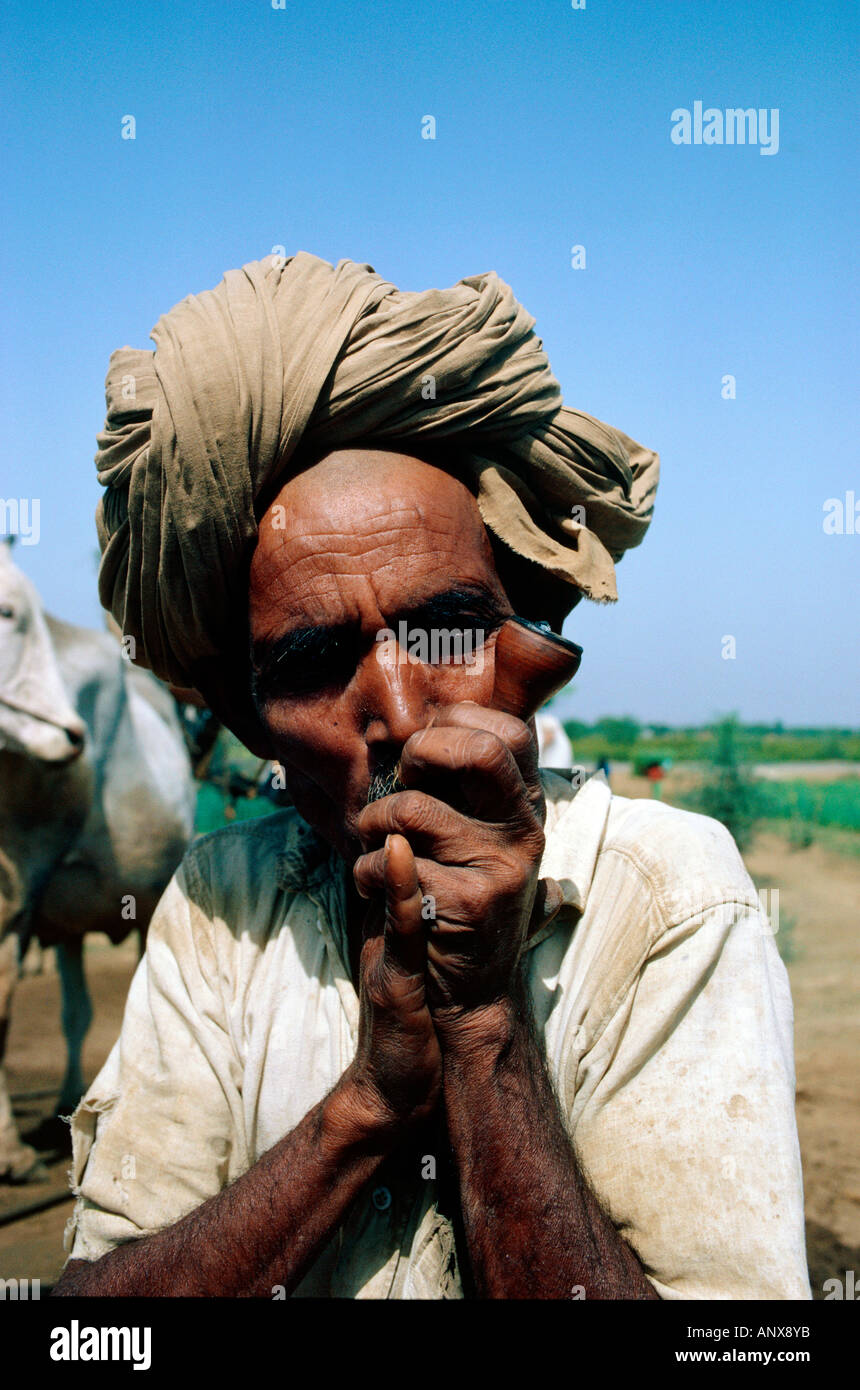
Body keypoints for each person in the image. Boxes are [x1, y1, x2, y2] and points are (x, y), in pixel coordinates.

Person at [54, 253, 808, 1299]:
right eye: (317, 663)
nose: (401, 717)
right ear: (251, 725)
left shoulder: (671, 895)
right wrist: (368, 1106)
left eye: (446, 628)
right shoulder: (223, 904)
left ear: (527, 657)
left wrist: (483, 1028)